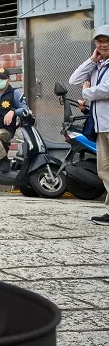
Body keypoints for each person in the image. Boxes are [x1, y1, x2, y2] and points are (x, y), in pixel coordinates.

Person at [69, 24, 109, 226]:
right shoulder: (98, 65)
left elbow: (105, 89)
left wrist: (86, 93)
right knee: (104, 170)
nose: (104, 45)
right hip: (101, 127)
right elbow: (74, 79)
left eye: (107, 41)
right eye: (100, 41)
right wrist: (92, 60)